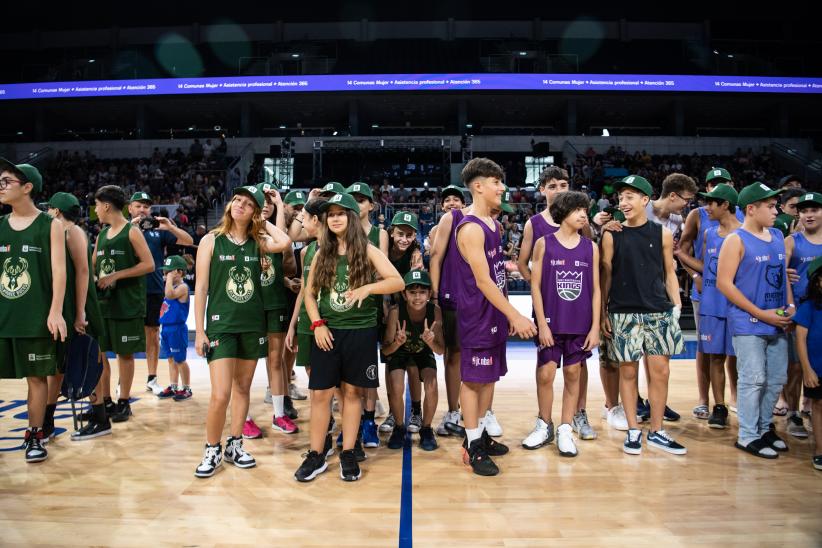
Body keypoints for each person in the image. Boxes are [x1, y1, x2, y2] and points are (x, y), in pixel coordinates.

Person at [294, 192, 402, 482]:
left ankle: (349, 451)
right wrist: (317, 324)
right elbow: (309, 293)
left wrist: (369, 289)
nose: (336, 218)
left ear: (352, 218)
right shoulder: (321, 252)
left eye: (341, 213)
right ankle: (316, 454)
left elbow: (397, 281)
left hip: (361, 330)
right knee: (320, 394)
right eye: (331, 214)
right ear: (326, 221)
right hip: (328, 331)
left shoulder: (367, 250)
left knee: (352, 393)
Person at [193, 186, 291, 478]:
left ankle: (235, 444)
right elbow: (200, 289)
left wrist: (264, 219)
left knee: (242, 389)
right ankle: (212, 448)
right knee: (220, 394)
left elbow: (284, 242)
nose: (240, 206)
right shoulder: (211, 240)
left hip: (252, 325)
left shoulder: (259, 241)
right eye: (237, 200)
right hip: (221, 326)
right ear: (229, 204)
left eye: (249, 204)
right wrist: (200, 330)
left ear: (254, 212)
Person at [455, 158, 537, 476]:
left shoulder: (493, 223)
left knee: (489, 377)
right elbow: (483, 280)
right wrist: (515, 314)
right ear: (478, 186)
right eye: (496, 182)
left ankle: (478, 434)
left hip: (493, 313)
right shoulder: (471, 229)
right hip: (477, 313)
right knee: (473, 381)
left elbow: (496, 271)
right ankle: (473, 447)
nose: (502, 187)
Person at [600, 175, 686, 456]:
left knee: (661, 371)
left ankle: (657, 430)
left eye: (630, 197)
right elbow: (606, 277)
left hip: (658, 311)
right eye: (621, 197)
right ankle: (634, 430)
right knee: (628, 372)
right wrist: (603, 312)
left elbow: (669, 271)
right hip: (623, 312)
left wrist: (676, 306)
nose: (623, 202)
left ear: (645, 200)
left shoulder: (661, 233)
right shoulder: (612, 234)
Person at [517, 166, 596, 441]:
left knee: (577, 368)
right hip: (550, 311)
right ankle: (545, 423)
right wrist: (542, 288)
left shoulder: (585, 232)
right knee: (547, 371)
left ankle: (574, 416)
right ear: (543, 190)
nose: (559, 190)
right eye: (553, 186)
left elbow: (594, 279)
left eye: (563, 185)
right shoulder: (536, 228)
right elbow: (523, 265)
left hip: (578, 316)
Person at [717, 182, 793, 459]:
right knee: (753, 379)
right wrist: (761, 314)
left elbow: (782, 274)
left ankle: (762, 428)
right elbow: (725, 284)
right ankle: (747, 435)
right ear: (752, 208)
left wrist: (790, 304)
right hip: (749, 321)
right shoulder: (735, 240)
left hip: (777, 320)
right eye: (770, 206)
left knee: (775, 379)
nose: (776, 211)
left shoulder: (775, 235)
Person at [0, 159, 67, 462]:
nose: (1, 186)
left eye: (7, 181)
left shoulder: (49, 224)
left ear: (27, 187)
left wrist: (55, 311)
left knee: (37, 378)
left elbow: (58, 271)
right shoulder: (0, 226)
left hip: (34, 317)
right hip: (4, 316)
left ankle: (34, 435)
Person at [675, 183, 741, 429]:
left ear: (725, 205)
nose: (707, 207)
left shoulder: (744, 234)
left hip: (736, 306)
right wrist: (681, 256)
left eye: (712, 203)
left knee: (739, 359)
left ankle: (743, 404)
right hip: (711, 304)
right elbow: (707, 268)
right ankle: (719, 406)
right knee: (715, 357)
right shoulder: (709, 234)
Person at [44, 192, 106, 440]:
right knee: (60, 365)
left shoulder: (74, 232)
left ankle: (101, 418)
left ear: (57, 211)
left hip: (81, 307)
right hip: (69, 306)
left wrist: (80, 312)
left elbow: (82, 272)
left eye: (49, 209)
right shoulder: (61, 232)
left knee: (88, 361)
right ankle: (47, 420)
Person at [93, 185, 155, 423]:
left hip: (127, 304)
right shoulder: (101, 235)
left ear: (107, 205)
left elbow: (148, 264)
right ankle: (105, 400)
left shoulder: (131, 231)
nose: (96, 210)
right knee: (100, 355)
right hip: (104, 305)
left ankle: (124, 402)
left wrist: (116, 275)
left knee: (124, 355)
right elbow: (93, 266)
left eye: (97, 205)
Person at [128, 192, 193, 396]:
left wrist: (170, 226)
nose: (143, 210)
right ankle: (124, 382)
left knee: (153, 334)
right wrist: (131, 227)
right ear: (130, 208)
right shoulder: (123, 229)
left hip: (154, 289)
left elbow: (188, 240)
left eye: (146, 207)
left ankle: (152, 378)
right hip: (129, 289)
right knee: (126, 336)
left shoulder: (157, 231)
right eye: (138, 206)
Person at [346, 181, 389, 448]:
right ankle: (350, 422)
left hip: (369, 307)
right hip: (342, 308)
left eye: (362, 200)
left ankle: (369, 421)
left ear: (371, 205)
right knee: (346, 372)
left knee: (368, 370)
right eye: (353, 199)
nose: (357, 204)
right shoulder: (340, 232)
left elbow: (380, 270)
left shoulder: (379, 234)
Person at [382, 269, 444, 451]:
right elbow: (385, 351)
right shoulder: (396, 312)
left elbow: (440, 351)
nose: (417, 297)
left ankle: (426, 429)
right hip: (400, 352)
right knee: (397, 386)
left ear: (429, 294)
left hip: (423, 351)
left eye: (422, 292)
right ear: (404, 293)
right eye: (412, 292)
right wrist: (396, 343)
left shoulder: (436, 312)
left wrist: (431, 342)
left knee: (432, 385)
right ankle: (399, 427)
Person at [254, 183, 298, 436]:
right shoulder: (247, 234)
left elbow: (283, 241)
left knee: (277, 359)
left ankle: (280, 411)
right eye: (262, 202)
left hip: (275, 301)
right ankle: (245, 416)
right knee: (245, 363)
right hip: (252, 305)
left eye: (269, 203)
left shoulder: (273, 233)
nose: (265, 206)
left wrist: (280, 204)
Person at [429, 184, 469, 437]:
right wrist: (435, 296)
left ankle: (482, 410)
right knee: (453, 355)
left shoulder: (478, 223)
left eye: (456, 199)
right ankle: (454, 409)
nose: (452, 203)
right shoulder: (439, 227)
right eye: (447, 200)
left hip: (476, 298)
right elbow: (434, 258)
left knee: (476, 355)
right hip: (451, 296)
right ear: (441, 206)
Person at [783, 192, 822, 438]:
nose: (808, 215)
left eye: (814, 210)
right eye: (804, 211)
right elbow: (782, 274)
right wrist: (790, 305)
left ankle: (813, 409)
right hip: (800, 312)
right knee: (796, 367)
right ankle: (792, 413)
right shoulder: (791, 241)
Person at [792, 256, 822, 470]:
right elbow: (801, 340)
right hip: (816, 369)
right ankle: (820, 450)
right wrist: (807, 370)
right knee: (818, 407)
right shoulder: (809, 307)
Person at [156, 255, 192, 401]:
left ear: (179, 271)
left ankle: (187, 388)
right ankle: (174, 386)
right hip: (166, 328)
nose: (165, 274)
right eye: (165, 271)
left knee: (180, 360)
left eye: (169, 271)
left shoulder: (182, 287)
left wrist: (169, 280)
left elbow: (170, 295)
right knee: (170, 359)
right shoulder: (170, 286)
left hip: (177, 329)